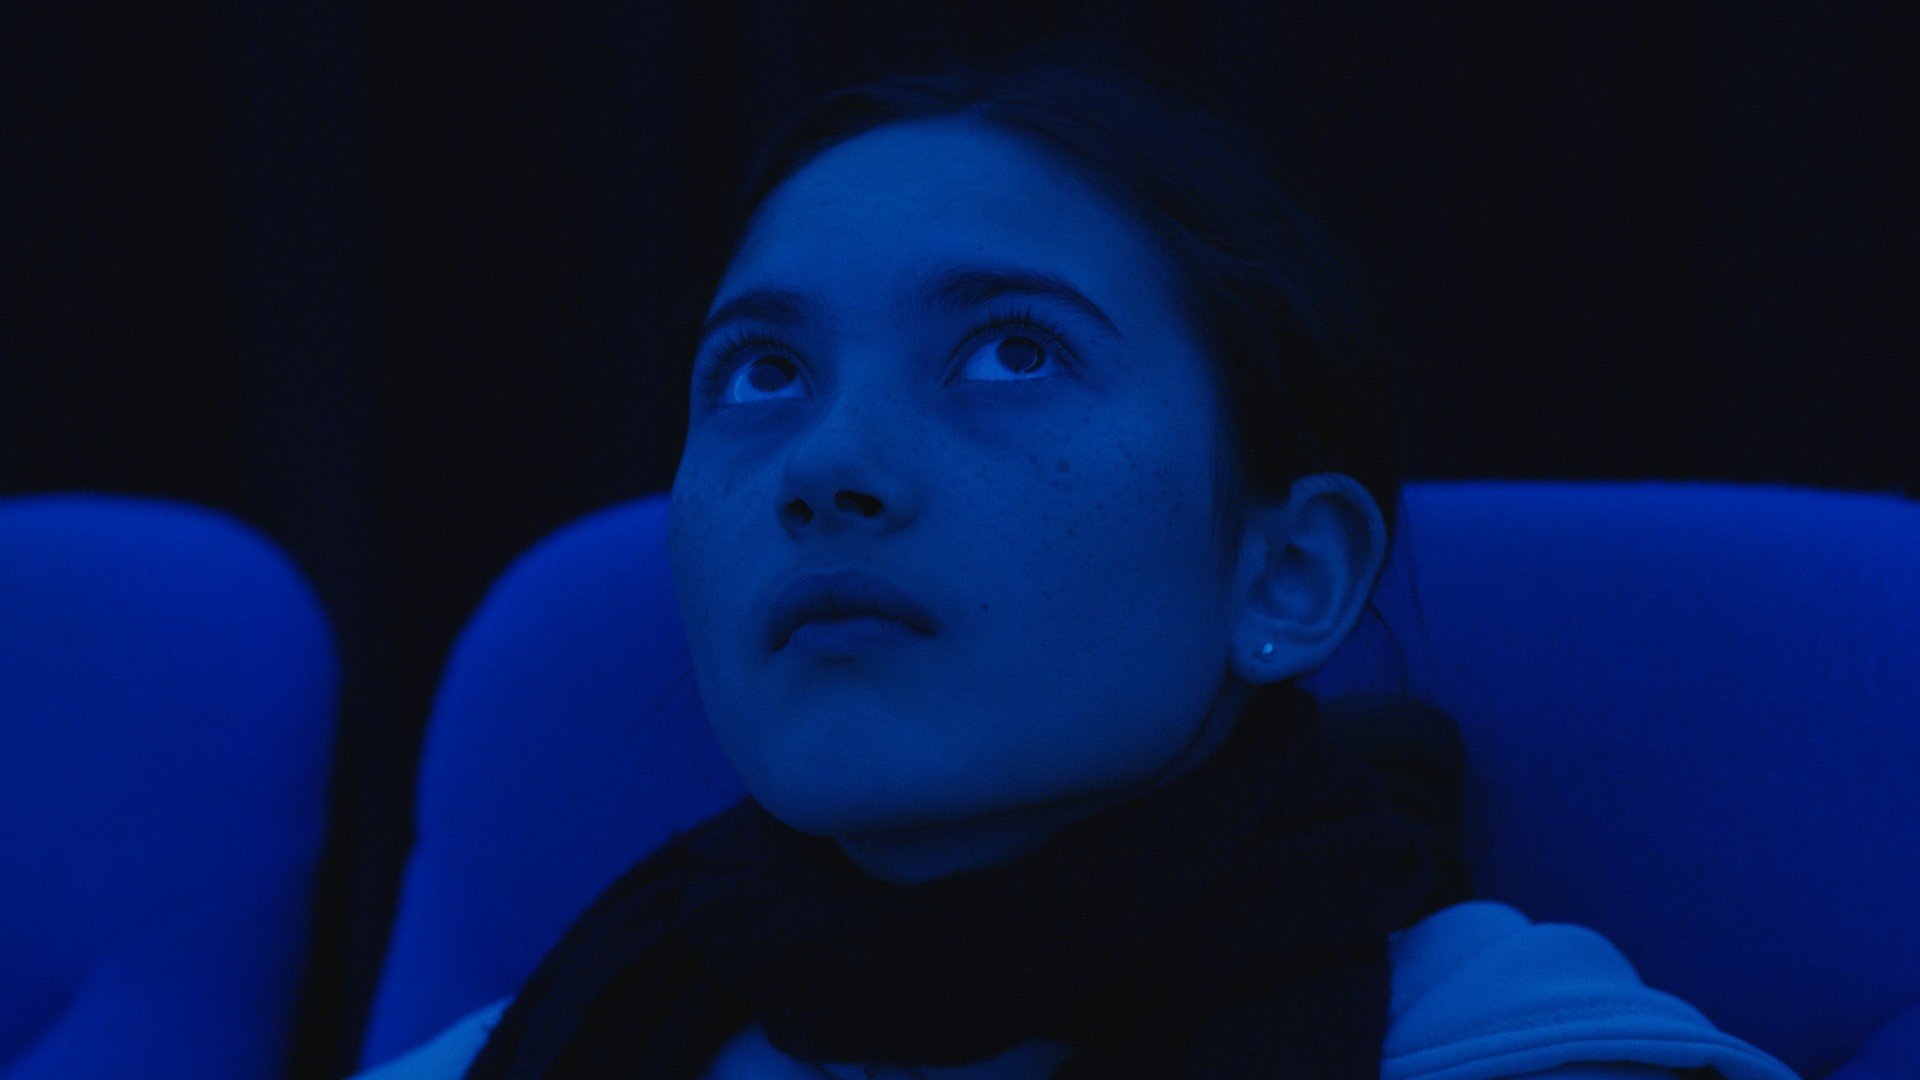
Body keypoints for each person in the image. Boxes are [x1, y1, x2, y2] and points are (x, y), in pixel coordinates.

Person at [352, 37, 1801, 1080]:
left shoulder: (1535, 1055)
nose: (827, 464)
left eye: (1011, 352)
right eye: (762, 373)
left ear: (1287, 576)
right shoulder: (548, 1039)